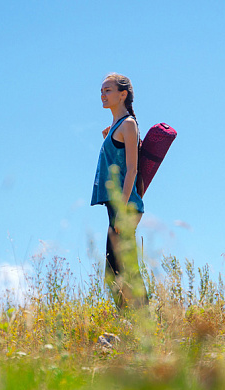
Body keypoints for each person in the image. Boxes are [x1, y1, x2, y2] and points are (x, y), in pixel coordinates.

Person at [90, 73, 148, 310]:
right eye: (102, 91)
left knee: (122, 267)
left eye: (108, 90)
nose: (103, 95)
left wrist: (122, 210)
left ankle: (143, 321)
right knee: (115, 267)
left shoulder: (129, 125)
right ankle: (133, 319)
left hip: (124, 205)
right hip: (116, 205)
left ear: (123, 94)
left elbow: (132, 169)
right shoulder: (116, 127)